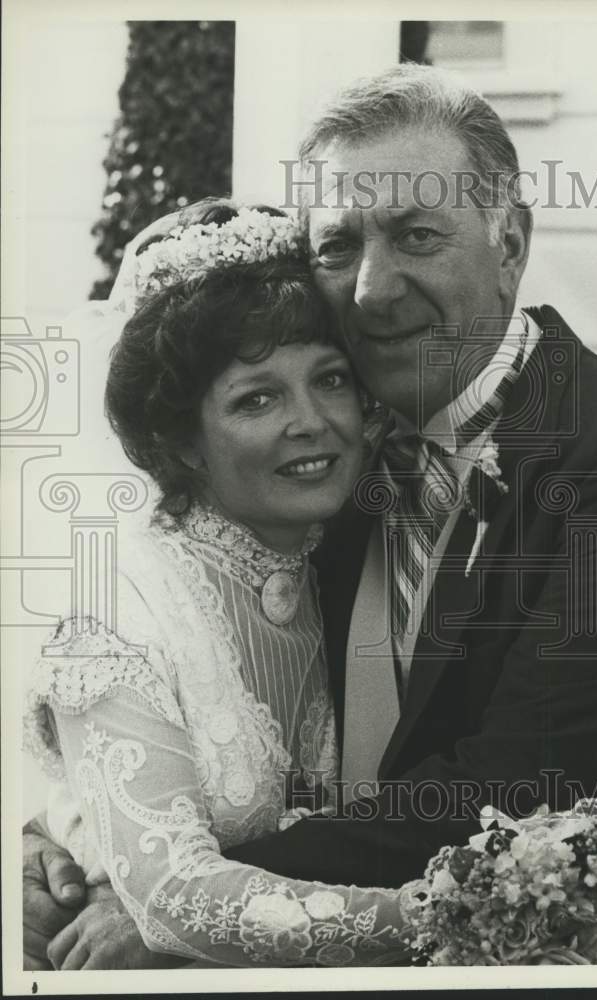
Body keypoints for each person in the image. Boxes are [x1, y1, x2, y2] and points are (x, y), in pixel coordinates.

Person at [25, 64, 597, 967]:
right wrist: (62, 853)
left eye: (416, 235)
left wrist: (177, 904)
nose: (370, 289)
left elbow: (521, 784)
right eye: (337, 246)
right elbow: (187, 701)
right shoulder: (324, 457)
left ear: (508, 239)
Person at [23, 201, 419, 968]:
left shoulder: (343, 558)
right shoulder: (116, 615)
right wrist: (452, 912)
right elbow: (172, 896)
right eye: (256, 398)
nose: (311, 421)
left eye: (329, 379)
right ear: (179, 442)